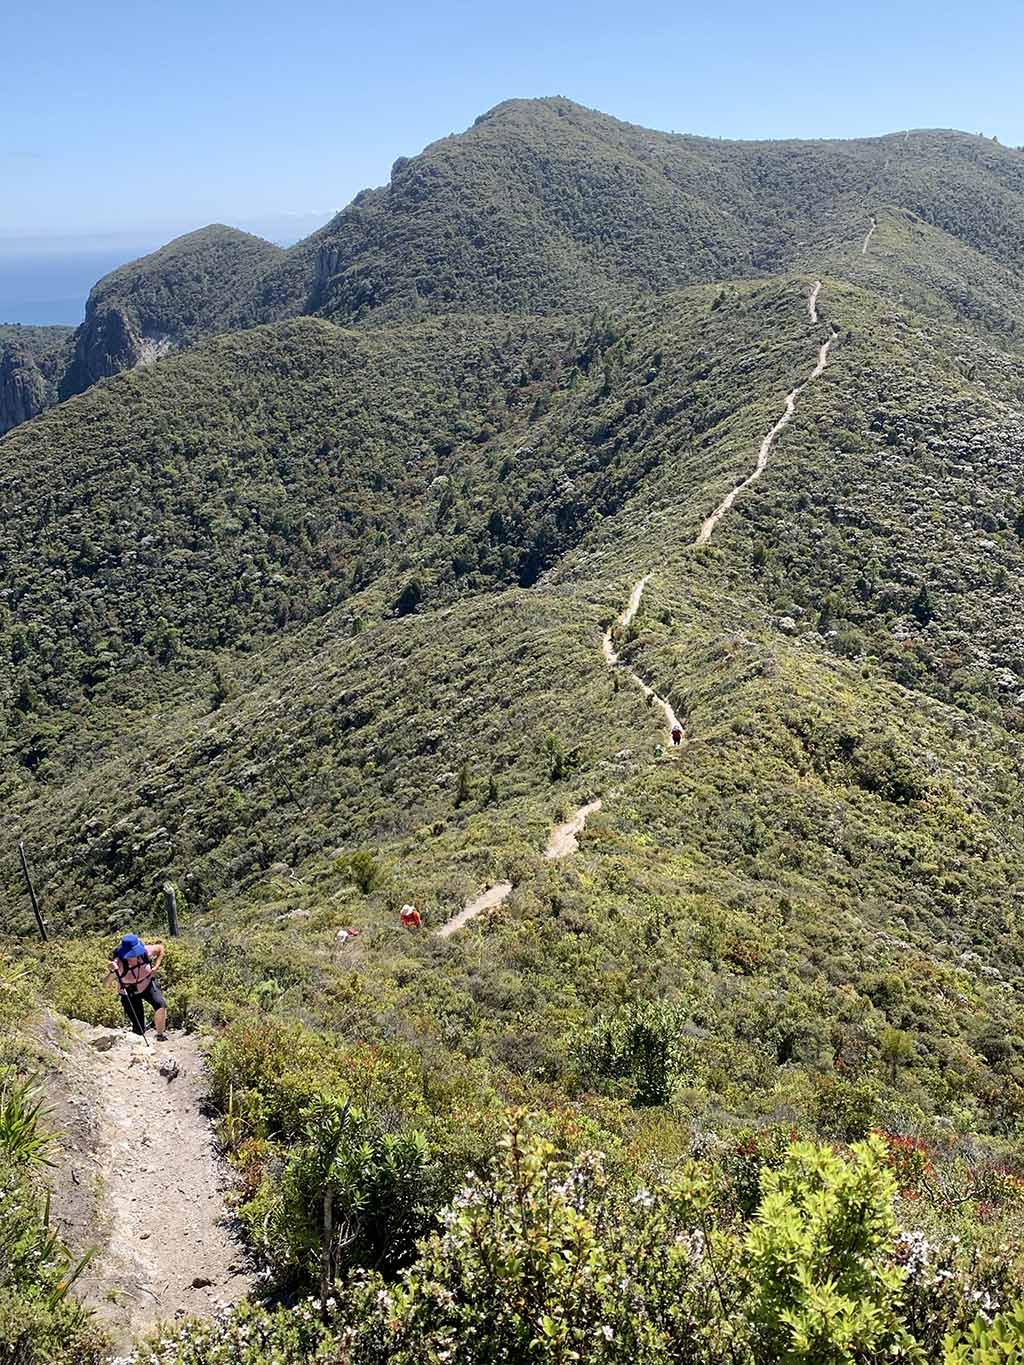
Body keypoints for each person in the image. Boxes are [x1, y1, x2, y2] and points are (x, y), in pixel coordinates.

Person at [103, 933, 169, 1040]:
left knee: (161, 1005)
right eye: (130, 955)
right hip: (129, 993)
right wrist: (111, 972)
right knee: (139, 1029)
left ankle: (160, 1035)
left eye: (135, 954)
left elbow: (160, 948)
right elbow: (106, 984)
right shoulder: (119, 964)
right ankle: (139, 1043)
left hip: (147, 984)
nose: (133, 957)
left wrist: (156, 966)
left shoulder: (145, 952)